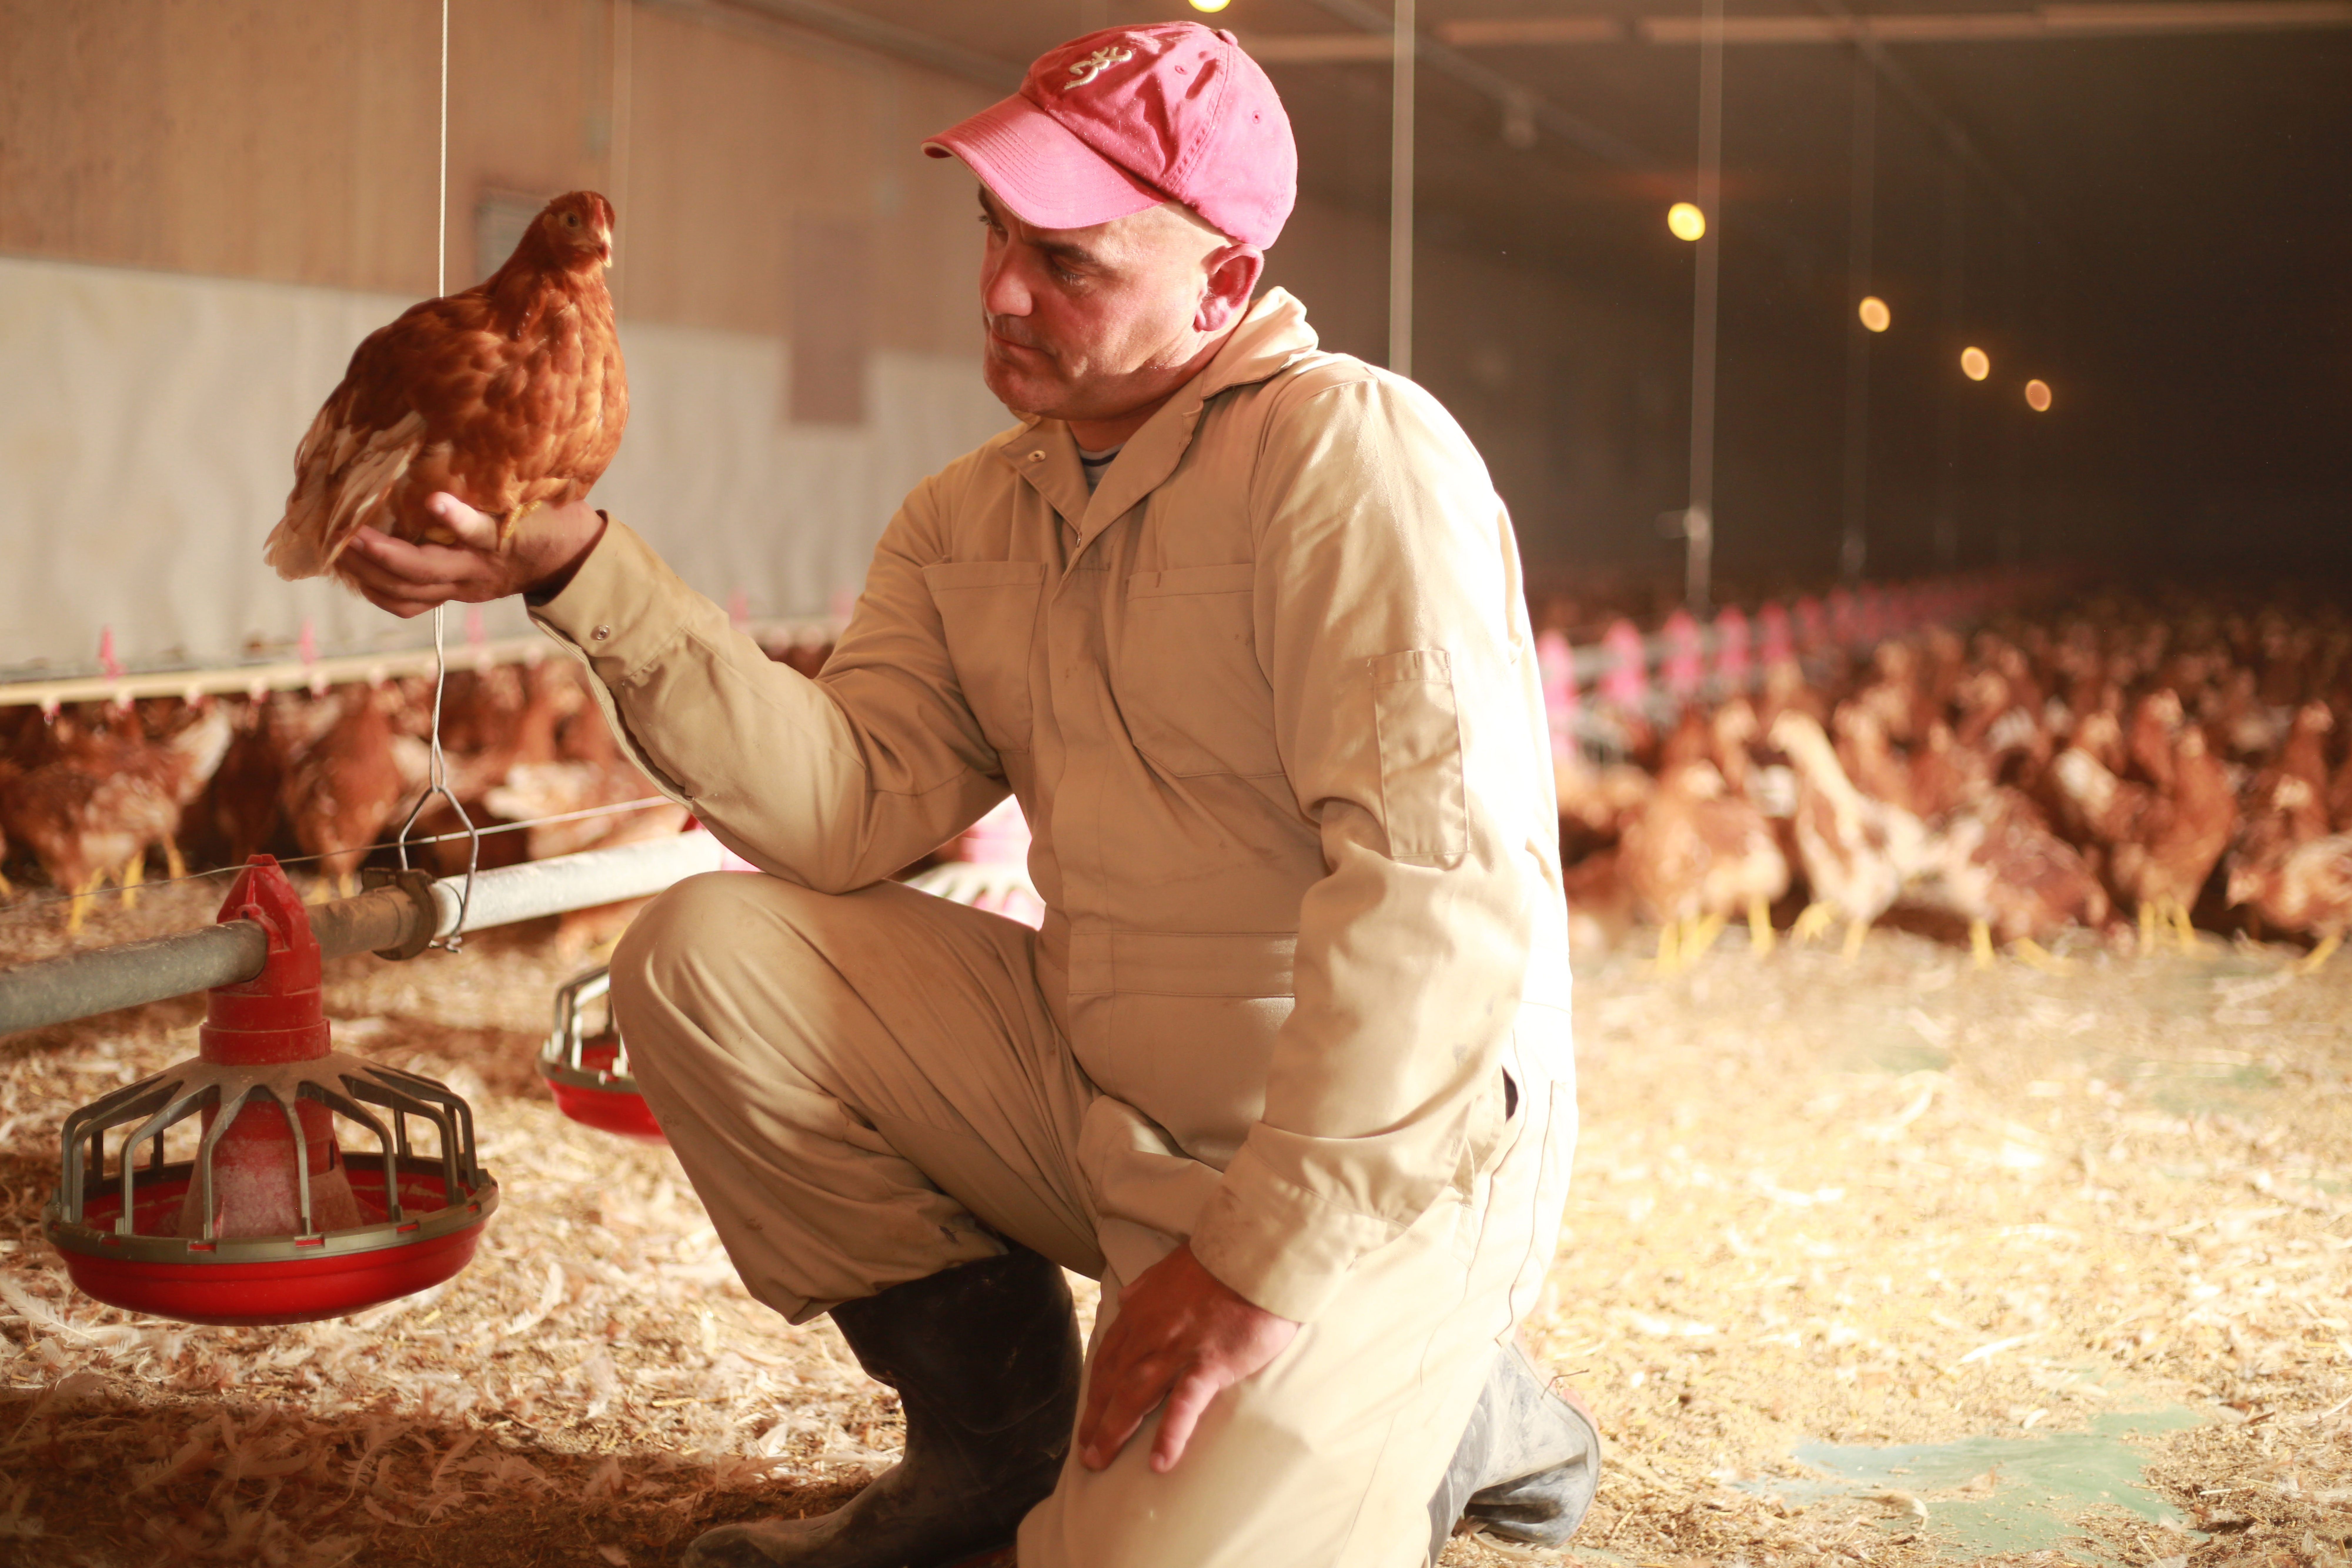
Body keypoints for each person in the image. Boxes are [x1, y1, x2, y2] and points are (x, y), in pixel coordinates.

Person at [338, 22, 1596, 1568]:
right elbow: (845, 807)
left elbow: (1442, 901)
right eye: (996, 232)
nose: (1002, 287)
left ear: (1218, 284)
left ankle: (1438, 1381)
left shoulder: (1348, 462)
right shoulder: (972, 517)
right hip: (1107, 1086)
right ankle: (990, 1449)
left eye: (1068, 259)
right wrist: (586, 574)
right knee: (706, 963)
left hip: (1364, 1159)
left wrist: (1261, 1267)